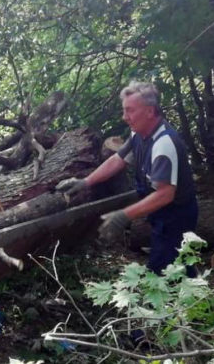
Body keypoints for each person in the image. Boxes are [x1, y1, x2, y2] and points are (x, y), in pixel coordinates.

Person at [56, 81, 198, 276]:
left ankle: (185, 303)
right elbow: (118, 159)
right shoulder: (139, 134)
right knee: (181, 270)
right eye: (124, 111)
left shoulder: (164, 144)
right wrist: (85, 182)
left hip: (176, 217)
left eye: (130, 111)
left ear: (149, 112)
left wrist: (123, 216)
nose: (125, 117)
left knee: (165, 275)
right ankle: (197, 301)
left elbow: (165, 194)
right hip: (162, 214)